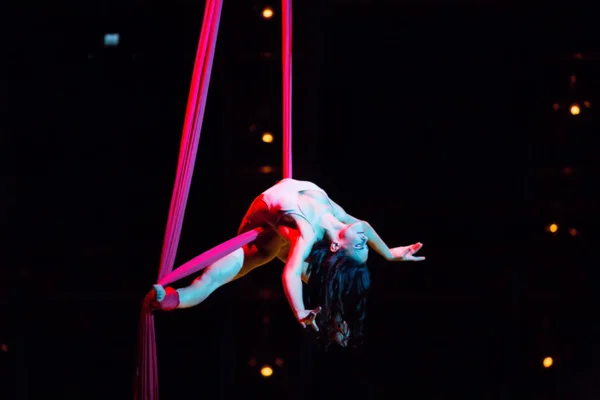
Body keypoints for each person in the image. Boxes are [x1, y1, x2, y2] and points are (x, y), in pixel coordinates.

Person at [152, 178, 425, 347]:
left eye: (359, 245)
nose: (364, 239)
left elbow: (291, 274)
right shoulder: (339, 216)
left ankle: (170, 299)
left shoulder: (309, 231)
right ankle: (336, 313)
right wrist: (390, 253)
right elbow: (367, 228)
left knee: (213, 278)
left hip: (262, 239)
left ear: (336, 246)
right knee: (328, 273)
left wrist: (300, 311)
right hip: (280, 237)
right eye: (365, 244)